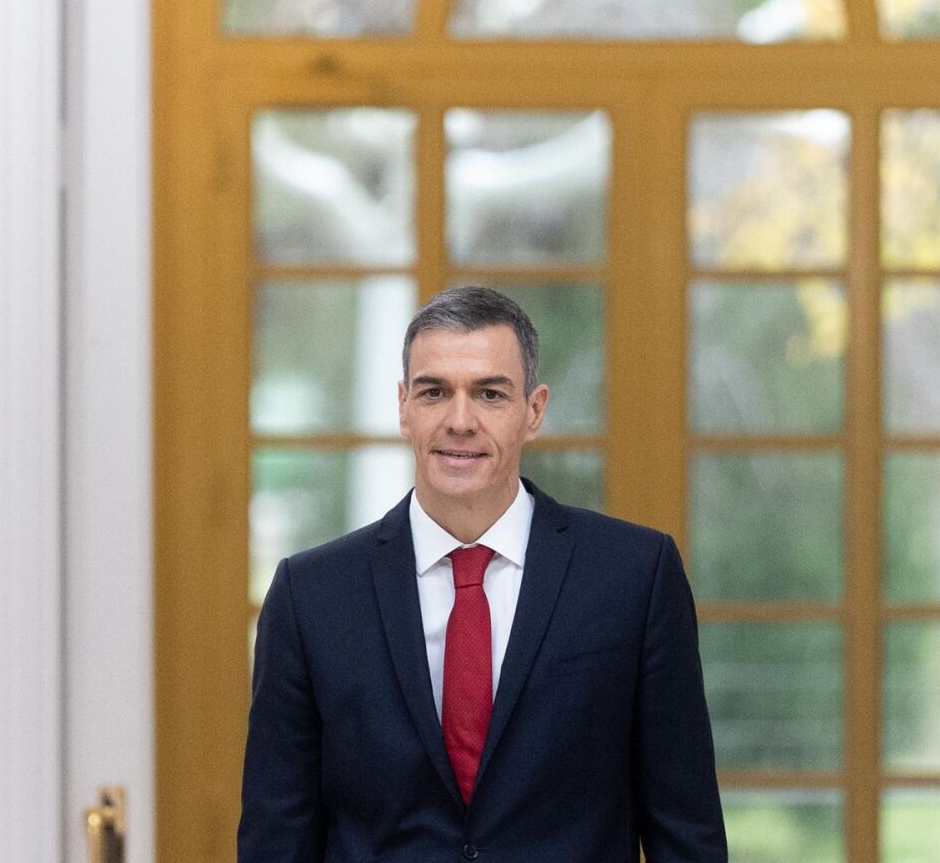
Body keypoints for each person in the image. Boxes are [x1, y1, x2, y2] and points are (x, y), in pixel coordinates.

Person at [238, 286, 726, 861]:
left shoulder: (635, 576)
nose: (460, 420)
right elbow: (277, 839)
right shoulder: (310, 596)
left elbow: (685, 832)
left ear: (534, 411)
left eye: (490, 394)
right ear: (403, 407)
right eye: (434, 392)